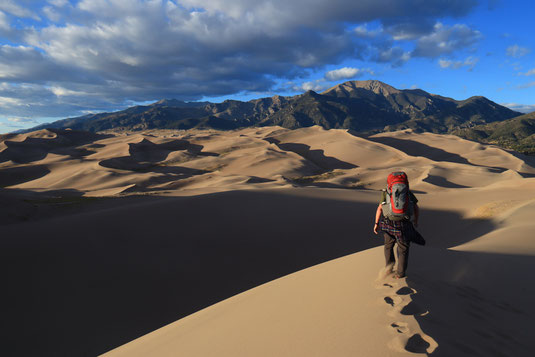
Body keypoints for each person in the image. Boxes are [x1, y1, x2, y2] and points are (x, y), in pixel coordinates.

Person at [373, 173, 419, 279]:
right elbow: (416, 208)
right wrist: (416, 221)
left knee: (388, 246)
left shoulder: (387, 193)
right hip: (404, 224)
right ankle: (400, 273)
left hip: (389, 223)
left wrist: (376, 224)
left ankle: (389, 268)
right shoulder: (407, 193)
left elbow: (380, 208)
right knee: (403, 249)